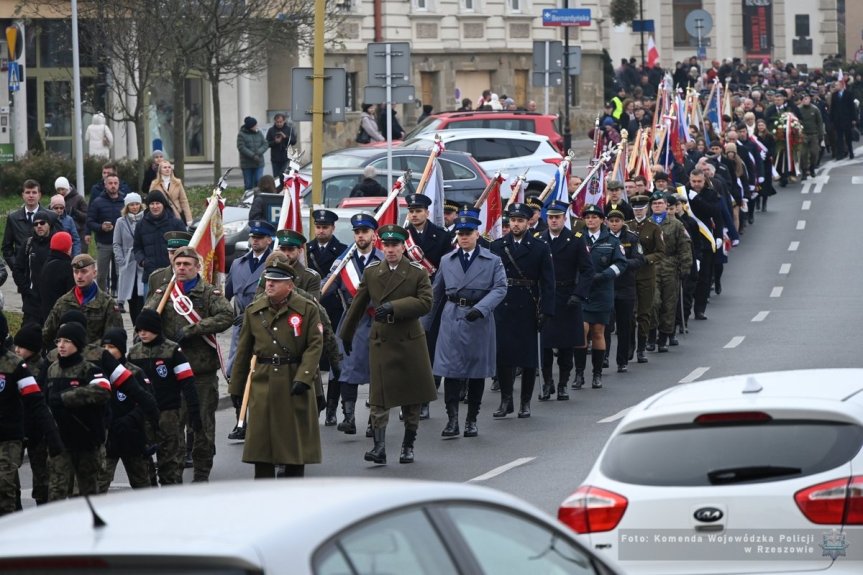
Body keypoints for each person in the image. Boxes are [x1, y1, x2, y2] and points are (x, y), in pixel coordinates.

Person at [339, 224, 437, 465]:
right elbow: (358, 305)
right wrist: (346, 335)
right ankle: (379, 447)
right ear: (381, 246)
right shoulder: (373, 272)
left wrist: (395, 306)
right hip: (381, 338)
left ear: (403, 246)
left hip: (409, 339)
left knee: (411, 397)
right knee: (379, 396)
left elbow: (426, 303)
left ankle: (408, 446)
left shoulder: (417, 272)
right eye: (387, 245)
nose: (391, 250)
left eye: (395, 245)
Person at [144, 246, 233, 482]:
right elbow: (147, 318)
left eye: (187, 264)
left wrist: (194, 328)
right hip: (171, 372)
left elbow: (226, 316)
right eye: (178, 264)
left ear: (197, 267)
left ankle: (202, 475)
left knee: (202, 426)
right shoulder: (165, 292)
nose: (181, 268)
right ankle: (173, 476)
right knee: (172, 428)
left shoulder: (208, 293)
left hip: (200, 372)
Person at [228, 259, 323, 479]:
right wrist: (236, 387)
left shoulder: (307, 309)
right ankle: (264, 489)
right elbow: (243, 352)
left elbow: (314, 345)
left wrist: (304, 377)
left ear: (289, 285)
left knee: (294, 443)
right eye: (268, 280)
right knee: (262, 443)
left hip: (294, 379)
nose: (269, 285)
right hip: (263, 380)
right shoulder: (254, 311)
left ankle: (292, 485)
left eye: (276, 282)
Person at [424, 215, 507, 438]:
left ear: (477, 235)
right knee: (451, 371)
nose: (464, 238)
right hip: (452, 317)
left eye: (468, 234)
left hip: (479, 317)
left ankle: (472, 420)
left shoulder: (492, 260)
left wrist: (481, 308)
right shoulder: (447, 260)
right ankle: (452, 420)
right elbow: (436, 292)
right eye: (460, 234)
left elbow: (500, 288)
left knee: (476, 372)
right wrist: (426, 323)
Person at [489, 203, 555, 418]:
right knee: (503, 356)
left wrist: (546, 309)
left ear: (528, 222)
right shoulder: (498, 246)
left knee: (528, 357)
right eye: (513, 220)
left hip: (529, 304)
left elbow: (548, 281)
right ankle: (506, 400)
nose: (515, 224)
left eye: (520, 220)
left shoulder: (539, 247)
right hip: (503, 304)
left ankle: (525, 402)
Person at [322, 212, 383, 435]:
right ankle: (348, 417)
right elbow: (326, 287)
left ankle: (374, 421)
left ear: (374, 235)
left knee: (377, 372)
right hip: (351, 322)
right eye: (357, 232)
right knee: (347, 370)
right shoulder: (344, 262)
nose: (360, 236)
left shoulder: (383, 260)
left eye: (364, 231)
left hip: (376, 321)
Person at [128, 309, 201, 485]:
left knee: (169, 463)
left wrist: (194, 412)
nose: (142, 333)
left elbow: (188, 383)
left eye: (146, 329)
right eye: (139, 330)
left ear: (156, 329)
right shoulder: (134, 353)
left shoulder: (173, 351)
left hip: (168, 413)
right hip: (143, 415)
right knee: (144, 463)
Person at [0, 317, 63, 516]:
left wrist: (52, 435)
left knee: (4, 486)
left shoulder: (15, 366)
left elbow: (37, 402)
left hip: (8, 436)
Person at [404, 192, 453, 418]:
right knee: (410, 349)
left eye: (418, 211)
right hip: (409, 297)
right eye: (411, 211)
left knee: (430, 347)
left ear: (427, 212)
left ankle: (426, 395)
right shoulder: (403, 238)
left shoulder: (442, 237)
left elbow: (446, 270)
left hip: (435, 298)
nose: (414, 215)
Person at [539, 200, 594, 400]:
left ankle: (563, 383)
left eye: (558, 217)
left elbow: (588, 270)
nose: (554, 220)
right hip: (546, 297)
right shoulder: (539, 239)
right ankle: (547, 382)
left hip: (567, 297)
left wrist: (579, 294)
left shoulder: (576, 239)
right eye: (551, 217)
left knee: (566, 346)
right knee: (544, 345)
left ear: (564, 218)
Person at [98, 328, 160, 492]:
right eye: (104, 348)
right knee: (99, 483)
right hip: (109, 439)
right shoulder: (98, 373)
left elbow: (148, 403)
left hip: (132, 437)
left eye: (111, 347)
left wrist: (130, 420)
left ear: (121, 349)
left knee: (142, 484)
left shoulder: (134, 372)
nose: (107, 351)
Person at [577, 205, 627, 390]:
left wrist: (603, 276)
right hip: (582, 291)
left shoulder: (612, 241)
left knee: (598, 332)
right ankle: (579, 374)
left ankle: (597, 374)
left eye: (594, 217)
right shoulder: (577, 239)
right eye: (587, 217)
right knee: (581, 330)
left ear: (601, 220)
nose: (590, 220)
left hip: (602, 291)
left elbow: (620, 264)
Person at [225, 220, 275, 402]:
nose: (255, 241)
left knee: (261, 370)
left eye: (260, 238)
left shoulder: (274, 264)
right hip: (240, 323)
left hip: (265, 322)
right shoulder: (238, 263)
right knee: (237, 370)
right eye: (253, 237)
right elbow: (227, 294)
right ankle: (240, 416)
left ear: (269, 240)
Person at [307, 209, 348, 426]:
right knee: (313, 361)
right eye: (318, 226)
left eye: (325, 227)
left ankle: (332, 407)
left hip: (333, 311)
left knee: (335, 363)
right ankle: (318, 402)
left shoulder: (343, 252)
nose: (321, 230)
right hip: (310, 313)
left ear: (333, 228)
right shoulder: (306, 250)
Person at [42, 254, 124, 351]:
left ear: (94, 273)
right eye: (76, 272)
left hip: (96, 360)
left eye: (84, 271)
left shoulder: (107, 304)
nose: (79, 276)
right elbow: (46, 335)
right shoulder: (63, 302)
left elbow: (114, 339)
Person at [13, 323, 52, 507]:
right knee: (10, 471)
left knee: (42, 474)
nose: (17, 350)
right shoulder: (14, 366)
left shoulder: (43, 369)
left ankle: (42, 507)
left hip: (37, 429)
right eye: (16, 346)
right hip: (17, 427)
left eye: (22, 347)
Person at [626, 194, 665, 361]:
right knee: (628, 314)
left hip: (646, 275)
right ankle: (629, 346)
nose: (639, 211)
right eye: (636, 209)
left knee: (644, 313)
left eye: (641, 208)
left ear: (647, 209)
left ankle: (641, 348)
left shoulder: (654, 228)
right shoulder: (626, 226)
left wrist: (646, 259)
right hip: (628, 275)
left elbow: (661, 252)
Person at [651, 191, 692, 351]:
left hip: (670, 268)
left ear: (665, 205)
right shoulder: (646, 224)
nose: (657, 206)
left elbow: (684, 246)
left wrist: (685, 266)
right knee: (653, 303)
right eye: (654, 204)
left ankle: (664, 337)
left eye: (660, 203)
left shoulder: (676, 224)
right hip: (651, 268)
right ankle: (651, 335)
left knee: (669, 305)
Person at [604, 210, 643, 373]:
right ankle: (604, 356)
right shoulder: (602, 238)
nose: (614, 223)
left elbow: (640, 259)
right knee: (605, 324)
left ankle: (622, 359)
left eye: (617, 220)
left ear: (622, 222)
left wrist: (622, 263)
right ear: (606, 222)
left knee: (625, 324)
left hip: (626, 286)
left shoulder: (631, 238)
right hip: (607, 286)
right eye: (611, 220)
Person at [686, 169, 723, 321]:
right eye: (693, 181)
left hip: (705, 240)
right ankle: (686, 310)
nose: (696, 184)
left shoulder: (711, 194)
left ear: (704, 180)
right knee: (689, 277)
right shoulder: (683, 192)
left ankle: (700, 309)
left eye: (699, 181)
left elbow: (714, 212)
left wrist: (719, 236)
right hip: (688, 240)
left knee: (704, 277)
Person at [13, 211, 58, 325]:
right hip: (32, 302)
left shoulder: (56, 243)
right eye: (35, 224)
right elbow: (17, 269)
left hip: (52, 301)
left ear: (49, 224)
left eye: (42, 223)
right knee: (26, 337)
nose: (39, 226)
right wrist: (26, 289)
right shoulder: (28, 244)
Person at [133, 190, 187, 283]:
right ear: (148, 206)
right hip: (150, 274)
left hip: (172, 274)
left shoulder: (176, 223)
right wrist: (143, 261)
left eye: (157, 203)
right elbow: (137, 248)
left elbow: (185, 246)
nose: (155, 207)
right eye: (152, 204)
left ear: (163, 204)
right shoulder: (141, 225)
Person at [86, 173, 126, 294]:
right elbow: (89, 221)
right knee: (101, 275)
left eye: (115, 183)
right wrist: (101, 227)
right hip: (104, 243)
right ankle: (103, 297)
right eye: (110, 183)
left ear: (119, 184)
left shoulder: (125, 201)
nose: (113, 186)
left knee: (120, 273)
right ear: (105, 184)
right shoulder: (98, 202)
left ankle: (119, 299)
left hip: (121, 243)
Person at [2, 180, 51, 270]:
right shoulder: (13, 218)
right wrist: (16, 268)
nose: (31, 195)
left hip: (45, 271)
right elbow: (6, 247)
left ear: (39, 195)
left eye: (34, 192)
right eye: (28, 192)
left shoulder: (51, 216)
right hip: (22, 271)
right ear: (23, 195)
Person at [113, 192, 147, 323]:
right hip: (127, 264)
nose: (134, 207)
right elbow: (117, 243)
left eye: (137, 204)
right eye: (131, 204)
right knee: (131, 295)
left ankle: (142, 325)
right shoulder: (120, 222)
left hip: (142, 263)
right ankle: (134, 324)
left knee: (141, 295)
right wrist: (120, 260)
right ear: (127, 206)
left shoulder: (146, 219)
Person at [38, 231, 76, 323]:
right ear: (68, 247)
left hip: (47, 314)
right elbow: (72, 295)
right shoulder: (67, 267)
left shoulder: (47, 263)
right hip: (62, 317)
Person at [146, 231, 192, 299]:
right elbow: (149, 306)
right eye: (172, 253)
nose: (176, 257)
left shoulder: (197, 276)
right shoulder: (156, 278)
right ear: (168, 253)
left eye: (180, 253)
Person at [148, 160, 193, 226]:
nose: (167, 169)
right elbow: (150, 201)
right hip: (161, 215)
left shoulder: (177, 182)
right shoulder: (154, 184)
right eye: (165, 167)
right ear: (160, 170)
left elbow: (184, 201)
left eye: (169, 167)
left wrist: (189, 219)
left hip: (176, 214)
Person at [237, 116, 270, 191]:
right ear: (250, 126)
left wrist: (259, 152)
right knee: (248, 184)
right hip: (247, 164)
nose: (256, 127)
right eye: (254, 125)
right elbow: (241, 147)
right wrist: (252, 155)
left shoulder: (259, 133)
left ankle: (257, 198)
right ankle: (248, 199)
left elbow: (265, 144)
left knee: (258, 181)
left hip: (259, 162)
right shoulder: (241, 134)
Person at [798, 92, 824, 179]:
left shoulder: (815, 109)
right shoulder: (798, 109)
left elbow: (819, 122)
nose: (806, 100)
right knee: (803, 154)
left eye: (807, 98)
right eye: (804, 99)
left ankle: (812, 168)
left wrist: (821, 135)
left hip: (813, 134)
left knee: (814, 153)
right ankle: (804, 171)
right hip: (803, 134)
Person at [830, 80, 856, 160]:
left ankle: (851, 152)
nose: (835, 87)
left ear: (841, 86)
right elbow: (832, 108)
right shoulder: (834, 95)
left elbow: (852, 107)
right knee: (839, 138)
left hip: (847, 119)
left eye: (837, 85)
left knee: (848, 137)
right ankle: (840, 154)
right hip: (838, 120)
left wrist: (853, 119)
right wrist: (832, 119)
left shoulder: (848, 94)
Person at [266, 113, 298, 177]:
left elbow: (294, 141)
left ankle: (284, 187)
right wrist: (275, 142)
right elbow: (266, 144)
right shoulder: (271, 130)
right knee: (277, 177)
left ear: (284, 121)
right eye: (277, 122)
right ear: (275, 121)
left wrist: (285, 137)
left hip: (286, 157)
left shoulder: (289, 129)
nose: (279, 124)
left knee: (284, 176)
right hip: (275, 158)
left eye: (280, 122)